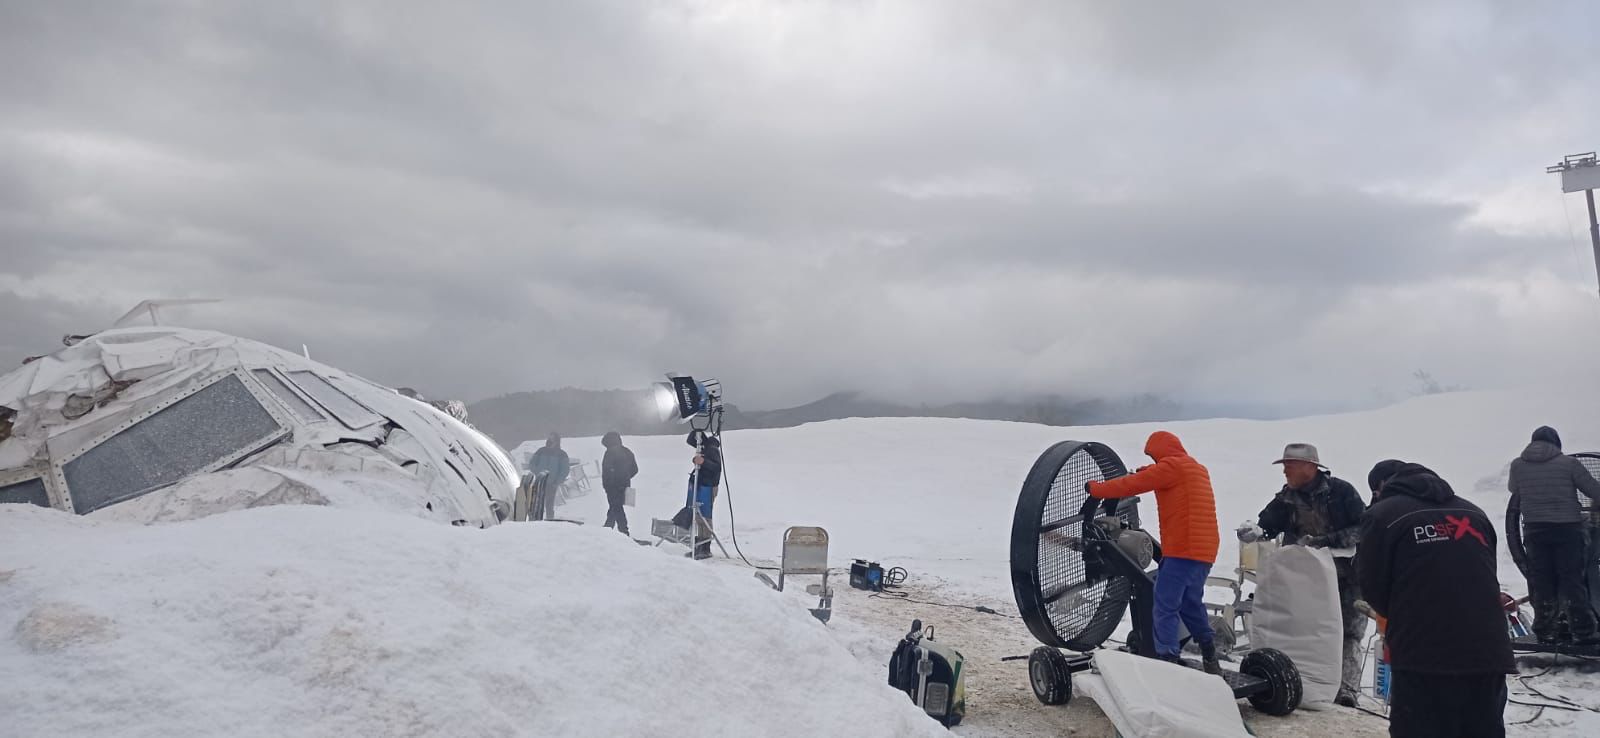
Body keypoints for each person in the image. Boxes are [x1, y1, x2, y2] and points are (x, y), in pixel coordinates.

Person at [1358, 462, 1514, 737]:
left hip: (1424, 654)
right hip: (1488, 651)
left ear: (1382, 486)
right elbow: (1483, 577)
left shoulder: (1382, 515)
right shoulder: (1473, 512)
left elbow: (1373, 587)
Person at [1236, 443, 1368, 707]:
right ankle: (1308, 682)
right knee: (1309, 629)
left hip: (1349, 577)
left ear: (1310, 467)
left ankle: (1347, 692)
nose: (1284, 470)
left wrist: (1325, 541)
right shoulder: (1287, 497)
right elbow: (1268, 524)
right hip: (1309, 581)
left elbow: (1364, 528)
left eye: (1289, 465)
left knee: (1350, 632)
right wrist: (1256, 531)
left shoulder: (1342, 493)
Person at [1086, 430, 1222, 674]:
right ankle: (1209, 653)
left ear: (1159, 452)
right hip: (1205, 551)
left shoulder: (1169, 468)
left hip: (1182, 550)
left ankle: (1167, 661)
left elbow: (1131, 485)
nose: (1154, 462)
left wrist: (1096, 489)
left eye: (1154, 457)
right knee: (1191, 603)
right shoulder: (1195, 468)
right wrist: (1150, 471)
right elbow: (1160, 476)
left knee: (1164, 604)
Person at [1507, 425, 1600, 645]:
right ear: (1556, 444)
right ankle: (1583, 632)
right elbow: (1595, 492)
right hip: (1568, 530)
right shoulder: (1569, 464)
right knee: (1572, 580)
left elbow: (1514, 489)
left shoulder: (1518, 465)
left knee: (1542, 581)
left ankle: (1546, 631)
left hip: (1534, 530)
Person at [683, 429, 722, 560]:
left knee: (705, 516)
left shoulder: (711, 449)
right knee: (698, 517)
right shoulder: (705, 449)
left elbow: (716, 468)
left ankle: (706, 548)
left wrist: (703, 462)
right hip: (701, 486)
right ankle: (699, 546)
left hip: (708, 487)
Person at [600, 431, 638, 536]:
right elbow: (635, 469)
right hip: (625, 486)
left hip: (612, 486)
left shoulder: (609, 453)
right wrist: (625, 477)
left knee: (616, 508)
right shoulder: (627, 452)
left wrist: (608, 483)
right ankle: (608, 528)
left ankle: (623, 531)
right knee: (615, 507)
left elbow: (607, 471)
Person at [528, 433, 570, 520]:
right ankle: (535, 522)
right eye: (549, 438)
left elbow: (565, 470)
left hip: (552, 484)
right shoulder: (541, 451)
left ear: (557, 441)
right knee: (537, 504)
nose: (549, 440)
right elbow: (532, 464)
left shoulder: (562, 454)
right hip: (539, 482)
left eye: (552, 439)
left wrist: (557, 482)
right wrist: (539, 473)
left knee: (549, 505)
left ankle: (549, 522)